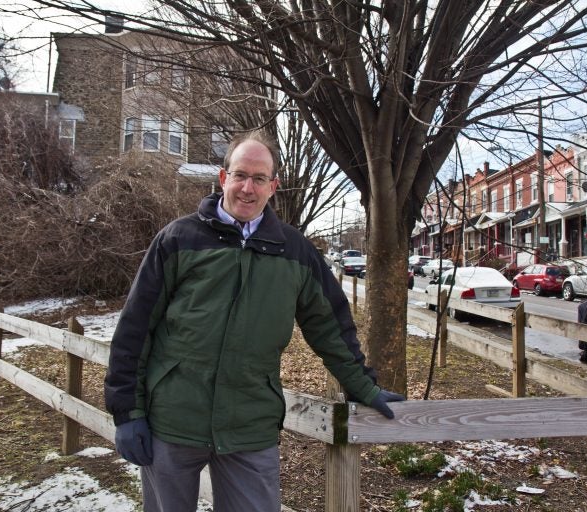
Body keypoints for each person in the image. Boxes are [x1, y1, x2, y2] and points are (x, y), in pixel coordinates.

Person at [104, 130, 405, 511]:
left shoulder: (294, 252)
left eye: (259, 178)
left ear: (273, 186)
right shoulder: (179, 239)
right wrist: (127, 412)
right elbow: (134, 330)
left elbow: (331, 328)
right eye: (240, 175)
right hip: (173, 421)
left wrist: (363, 387)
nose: (248, 188)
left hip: (250, 424)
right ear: (222, 178)